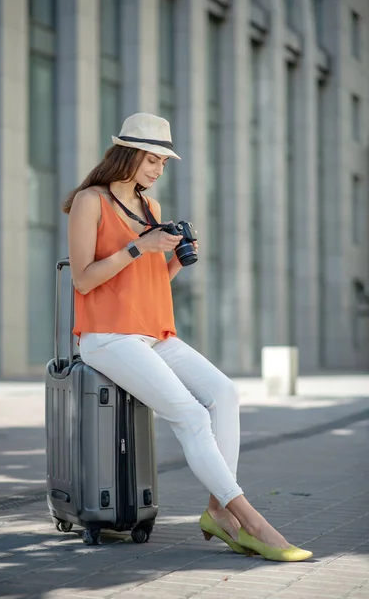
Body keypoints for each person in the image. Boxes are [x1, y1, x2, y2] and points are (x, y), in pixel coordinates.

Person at [63, 112, 312, 562]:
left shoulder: (150, 209)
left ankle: (218, 509)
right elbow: (82, 280)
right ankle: (252, 521)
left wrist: (174, 258)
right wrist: (138, 246)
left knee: (225, 393)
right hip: (106, 335)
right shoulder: (90, 201)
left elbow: (147, 281)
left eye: (164, 161)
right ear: (129, 154)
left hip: (152, 332)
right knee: (191, 416)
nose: (159, 169)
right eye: (154, 159)